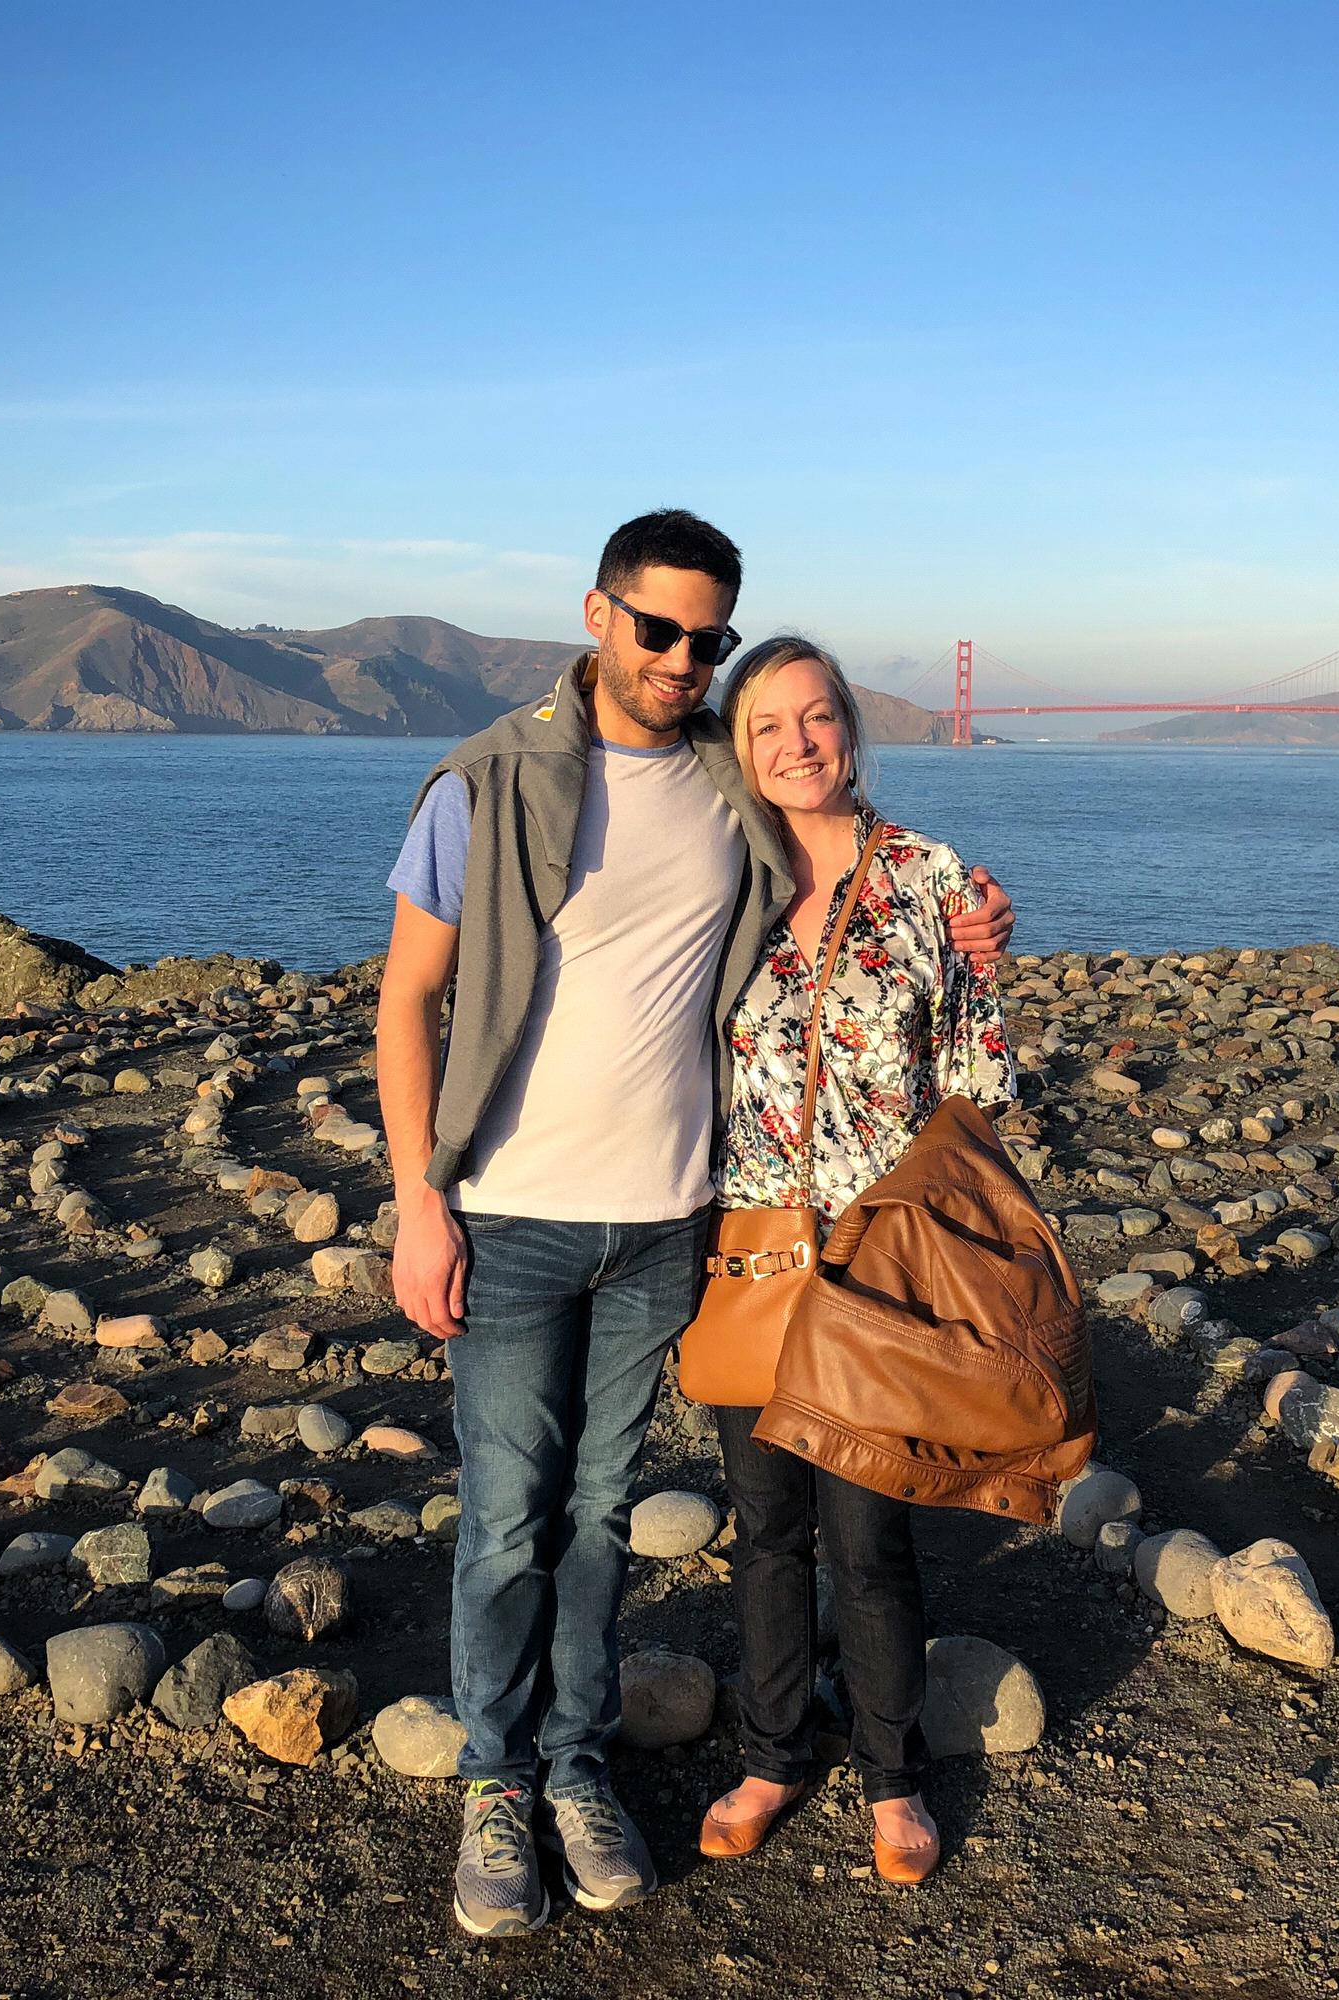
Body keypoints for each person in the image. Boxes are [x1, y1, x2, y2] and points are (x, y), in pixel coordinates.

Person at [374, 511, 1015, 1937]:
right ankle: (497, 1783)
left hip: (678, 1229)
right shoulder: (489, 783)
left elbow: (890, 926)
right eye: (656, 628)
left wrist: (976, 919)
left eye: (705, 640)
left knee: (609, 1517)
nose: (680, 658)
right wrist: (418, 1196)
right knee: (505, 1522)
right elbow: (404, 999)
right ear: (597, 616)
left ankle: (583, 1766)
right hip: (527, 1219)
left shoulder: (743, 792)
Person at [695, 636, 1015, 1889]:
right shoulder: (719, 875)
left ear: (850, 727)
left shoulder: (932, 877)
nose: (795, 744)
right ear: (738, 750)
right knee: (766, 1526)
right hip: (754, 1245)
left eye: (816, 716)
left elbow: (978, 1078)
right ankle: (771, 1752)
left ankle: (893, 1773)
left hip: (884, 1257)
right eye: (766, 725)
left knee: (868, 1530)